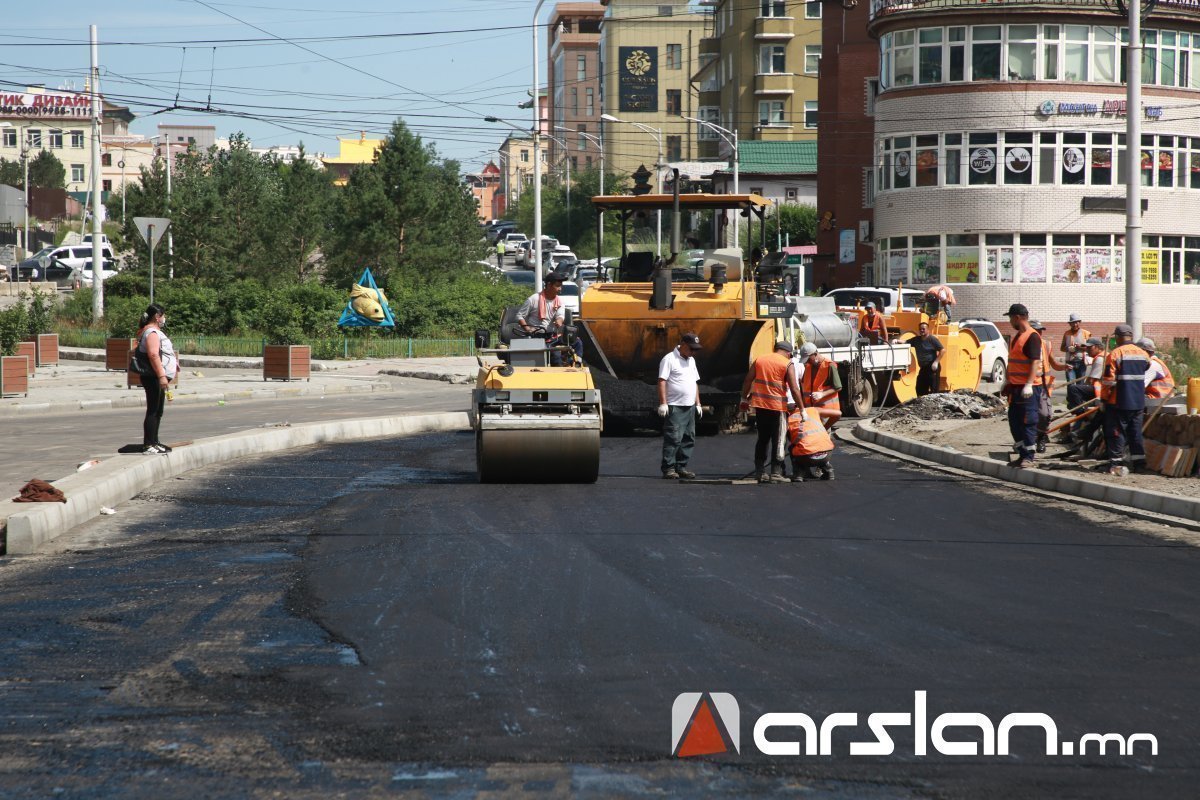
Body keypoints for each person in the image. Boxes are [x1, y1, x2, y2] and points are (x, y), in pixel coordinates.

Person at [741, 341, 804, 484]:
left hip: (761, 406)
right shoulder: (787, 364)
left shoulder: (760, 360)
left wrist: (743, 399)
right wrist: (802, 409)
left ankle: (759, 471)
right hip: (778, 408)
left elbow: (747, 380)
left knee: (762, 439)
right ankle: (775, 473)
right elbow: (794, 389)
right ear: (788, 353)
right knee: (779, 440)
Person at [1100, 324, 1150, 476]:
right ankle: (1139, 464)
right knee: (1135, 433)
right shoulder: (1143, 354)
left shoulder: (1115, 354)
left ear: (1117, 337)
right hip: (1138, 401)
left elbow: (1108, 381)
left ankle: (1116, 464)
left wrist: (1104, 399)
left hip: (1119, 401)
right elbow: (1146, 367)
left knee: (1117, 433)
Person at [1000, 303, 1044, 468]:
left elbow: (1034, 362)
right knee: (1015, 420)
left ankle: (1029, 456)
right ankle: (1021, 453)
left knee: (1028, 421)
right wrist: (1008, 381)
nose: (1010, 321)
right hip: (1016, 387)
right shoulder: (1018, 336)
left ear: (1017, 317)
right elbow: (1014, 362)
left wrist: (1029, 384)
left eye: (1011, 317)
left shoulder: (1032, 336)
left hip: (1028, 389)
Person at [657, 333, 703, 480]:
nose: (693, 352)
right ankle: (669, 468)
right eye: (691, 349)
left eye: (695, 350)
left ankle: (681, 467)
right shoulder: (669, 359)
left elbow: (694, 382)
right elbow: (662, 381)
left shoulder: (691, 361)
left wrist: (698, 403)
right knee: (673, 438)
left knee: (689, 438)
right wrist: (663, 403)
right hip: (675, 406)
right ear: (682, 344)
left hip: (689, 406)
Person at [135, 303, 178, 455]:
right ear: (157, 317)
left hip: (157, 376)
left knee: (158, 410)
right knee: (153, 410)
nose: (164, 319)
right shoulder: (152, 332)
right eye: (163, 316)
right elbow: (153, 354)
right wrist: (161, 375)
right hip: (153, 376)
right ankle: (148, 445)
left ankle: (155, 441)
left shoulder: (153, 331)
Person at [1031, 320, 1068, 453]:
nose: (1039, 333)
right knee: (1028, 414)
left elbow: (1053, 363)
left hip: (1043, 385)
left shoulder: (1046, 344)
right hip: (1028, 385)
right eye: (1037, 330)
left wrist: (1064, 366)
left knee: (1045, 414)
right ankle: (1028, 441)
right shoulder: (1026, 344)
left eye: (1041, 330)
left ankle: (1041, 436)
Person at [515, 273, 566, 365]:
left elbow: (560, 316)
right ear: (549, 285)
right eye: (557, 286)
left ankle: (577, 364)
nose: (560, 289)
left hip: (552, 337)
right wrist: (528, 329)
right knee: (555, 355)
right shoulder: (534, 299)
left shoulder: (560, 301)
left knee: (577, 342)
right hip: (536, 336)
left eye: (560, 286)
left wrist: (559, 321)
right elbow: (519, 316)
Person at [798, 342, 843, 428]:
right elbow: (804, 386)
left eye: (808, 359)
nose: (807, 361)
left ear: (815, 354)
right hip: (811, 411)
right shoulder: (808, 367)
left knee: (822, 437)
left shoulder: (829, 366)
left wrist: (822, 394)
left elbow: (838, 387)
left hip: (826, 412)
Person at [786, 405, 836, 482]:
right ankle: (829, 470)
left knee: (792, 448)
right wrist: (825, 428)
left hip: (806, 456)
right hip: (827, 453)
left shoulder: (788, 418)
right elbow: (838, 413)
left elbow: (793, 441)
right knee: (821, 445)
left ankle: (798, 473)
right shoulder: (813, 410)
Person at [911, 321, 945, 397]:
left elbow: (942, 350)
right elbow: (906, 342)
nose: (921, 330)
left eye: (923, 329)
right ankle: (922, 403)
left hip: (932, 367)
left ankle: (935, 404)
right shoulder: (916, 340)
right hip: (923, 367)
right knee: (920, 387)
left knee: (933, 387)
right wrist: (897, 341)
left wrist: (936, 362)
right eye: (920, 329)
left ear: (928, 330)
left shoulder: (932, 339)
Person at [1059, 313, 1091, 382]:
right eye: (1072, 323)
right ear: (1070, 324)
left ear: (1079, 322)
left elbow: (1090, 349)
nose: (1074, 325)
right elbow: (1062, 348)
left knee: (1080, 383)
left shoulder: (1086, 333)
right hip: (1069, 363)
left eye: (1076, 322)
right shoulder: (1067, 333)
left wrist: (1079, 348)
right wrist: (1068, 349)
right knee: (1070, 383)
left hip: (1081, 362)